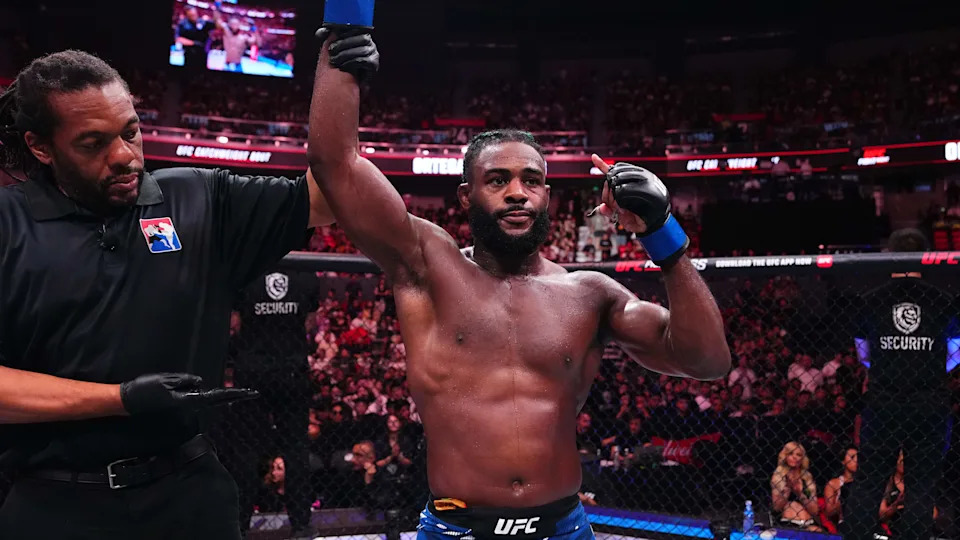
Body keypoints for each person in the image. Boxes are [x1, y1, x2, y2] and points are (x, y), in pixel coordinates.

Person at [308, 29, 730, 539]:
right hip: (457, 527)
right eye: (498, 180)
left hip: (562, 526)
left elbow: (707, 361)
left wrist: (664, 235)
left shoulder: (590, 294)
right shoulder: (427, 265)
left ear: (546, 194)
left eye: (531, 180)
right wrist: (341, 43)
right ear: (465, 195)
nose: (517, 193)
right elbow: (337, 166)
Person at [0, 47, 354, 539]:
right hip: (54, 501)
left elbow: (333, 194)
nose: (124, 156)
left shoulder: (198, 196)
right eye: (93, 143)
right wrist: (120, 399)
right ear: (41, 147)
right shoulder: (8, 224)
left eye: (130, 132)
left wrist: (341, 75)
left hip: (189, 493)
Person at [841, 229, 957, 540]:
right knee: (921, 485)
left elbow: (864, 355)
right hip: (929, 401)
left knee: (869, 480)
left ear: (890, 255)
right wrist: (928, 365)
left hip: (884, 401)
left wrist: (889, 365)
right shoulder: (942, 300)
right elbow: (956, 352)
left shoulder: (871, 300)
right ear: (925, 257)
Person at [216, 269, 320, 536]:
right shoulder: (305, 274)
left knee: (245, 451)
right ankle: (301, 525)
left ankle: (240, 524)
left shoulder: (246, 269)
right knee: (295, 450)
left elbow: (234, 323)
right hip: (291, 370)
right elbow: (309, 323)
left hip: (253, 369)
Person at [770, 441, 822, 531]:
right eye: (790, 454)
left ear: (802, 458)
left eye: (798, 455)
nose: (794, 457)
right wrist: (788, 490)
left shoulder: (807, 478)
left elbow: (815, 510)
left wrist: (799, 493)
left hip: (809, 523)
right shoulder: (778, 476)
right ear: (785, 456)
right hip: (788, 523)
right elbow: (777, 507)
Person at [822, 445, 858, 527]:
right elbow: (829, 511)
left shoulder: (865, 481)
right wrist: (842, 501)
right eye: (852, 457)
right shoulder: (833, 484)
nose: (856, 460)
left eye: (858, 457)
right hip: (845, 522)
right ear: (843, 461)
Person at [175, 7, 215, 71]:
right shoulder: (182, 24)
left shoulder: (203, 22)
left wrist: (217, 9)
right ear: (187, 15)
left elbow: (216, 25)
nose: (193, 17)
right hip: (189, 55)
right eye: (191, 15)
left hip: (202, 55)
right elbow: (178, 39)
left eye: (194, 14)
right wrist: (194, 43)